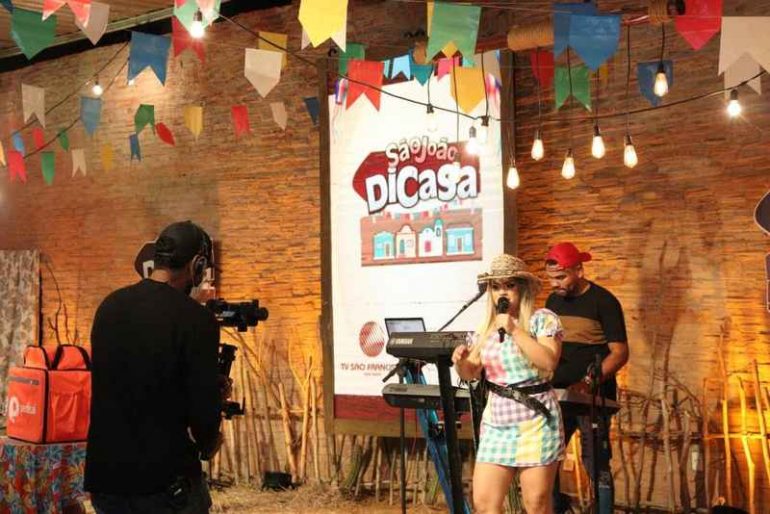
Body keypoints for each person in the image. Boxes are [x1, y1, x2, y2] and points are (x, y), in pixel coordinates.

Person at [86, 221, 226, 514]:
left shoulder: (109, 306)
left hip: (107, 482)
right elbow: (203, 416)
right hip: (165, 486)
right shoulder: (196, 320)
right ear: (197, 265)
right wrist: (210, 438)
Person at [452, 254, 565, 514]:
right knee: (484, 503)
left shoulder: (542, 319)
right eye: (495, 287)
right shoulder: (486, 329)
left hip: (536, 421)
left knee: (536, 503)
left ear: (522, 289)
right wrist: (461, 361)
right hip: (497, 423)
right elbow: (470, 373)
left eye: (509, 285)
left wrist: (515, 330)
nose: (502, 292)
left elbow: (548, 362)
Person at [544, 242, 629, 514]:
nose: (555, 284)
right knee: (548, 458)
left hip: (592, 397)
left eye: (561, 277)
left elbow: (620, 353)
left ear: (579, 270)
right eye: (551, 278)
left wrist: (588, 383)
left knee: (595, 461)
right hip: (557, 395)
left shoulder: (604, 301)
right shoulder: (552, 302)